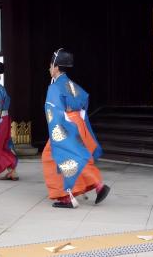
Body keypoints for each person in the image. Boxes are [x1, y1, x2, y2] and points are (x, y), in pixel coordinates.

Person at [43, 48, 110, 208]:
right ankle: (97, 184)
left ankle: (66, 196)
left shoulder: (54, 87)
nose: (49, 68)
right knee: (78, 155)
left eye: (51, 65)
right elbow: (84, 99)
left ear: (57, 67)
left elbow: (54, 111)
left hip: (64, 124)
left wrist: (58, 131)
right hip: (77, 122)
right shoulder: (71, 84)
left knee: (52, 157)